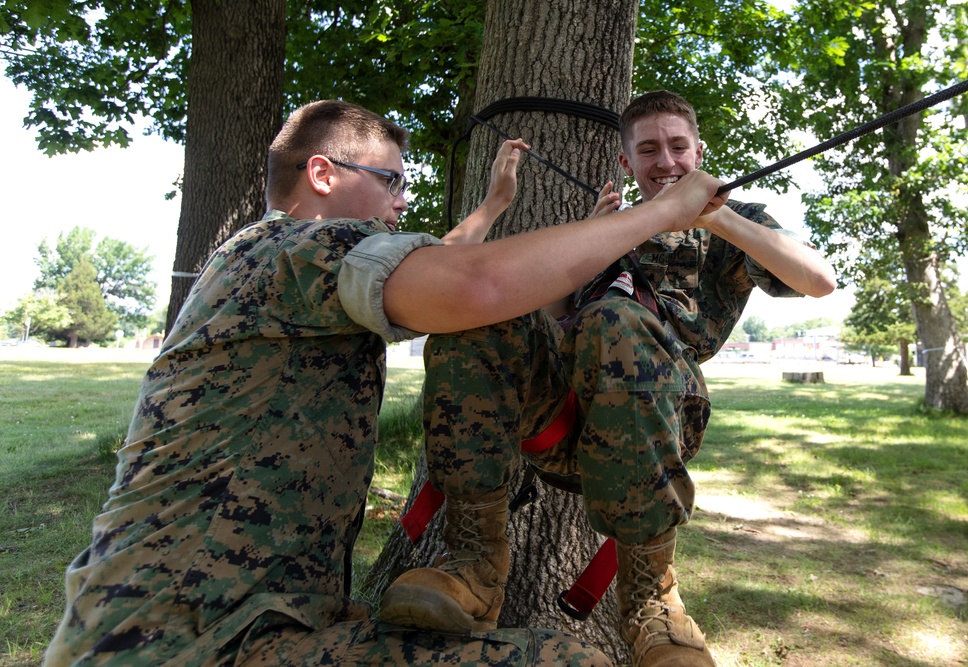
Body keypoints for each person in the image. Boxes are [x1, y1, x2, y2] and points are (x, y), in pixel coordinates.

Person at [43, 99, 728, 667]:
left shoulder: (283, 266)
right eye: (392, 182)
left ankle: (479, 565)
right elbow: (475, 284)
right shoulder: (286, 249)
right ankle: (478, 557)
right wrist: (661, 213)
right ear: (322, 173)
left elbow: (443, 274)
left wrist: (491, 208)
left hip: (259, 625)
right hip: (177, 642)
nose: (402, 204)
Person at [378, 90, 838, 667]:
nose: (665, 161)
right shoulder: (612, 226)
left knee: (616, 318)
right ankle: (473, 567)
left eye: (677, 147)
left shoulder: (732, 221)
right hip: (564, 418)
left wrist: (716, 214)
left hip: (657, 418)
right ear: (627, 163)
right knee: (476, 319)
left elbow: (819, 280)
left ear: (699, 151)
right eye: (648, 150)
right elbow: (553, 317)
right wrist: (592, 247)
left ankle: (651, 601)